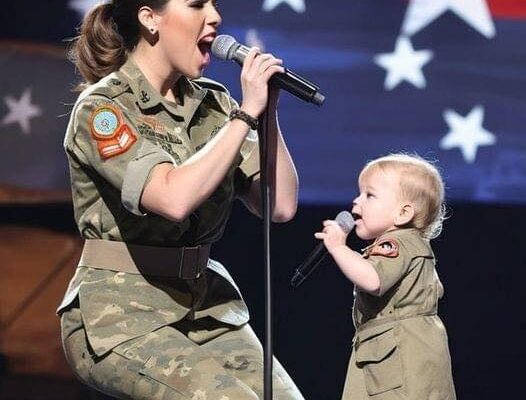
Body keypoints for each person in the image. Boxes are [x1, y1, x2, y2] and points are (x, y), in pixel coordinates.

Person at [57, 1, 304, 399]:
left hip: (207, 306)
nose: (215, 17)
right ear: (149, 17)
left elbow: (280, 206)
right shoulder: (104, 108)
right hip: (121, 315)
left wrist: (266, 114)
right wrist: (245, 116)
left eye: (214, 4)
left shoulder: (216, 105)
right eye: (195, 4)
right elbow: (171, 198)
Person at [315, 154, 456, 399]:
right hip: (390, 360)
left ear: (403, 213)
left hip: (398, 364)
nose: (356, 202)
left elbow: (373, 280)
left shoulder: (398, 243)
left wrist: (338, 247)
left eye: (369, 195)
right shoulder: (404, 243)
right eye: (359, 193)